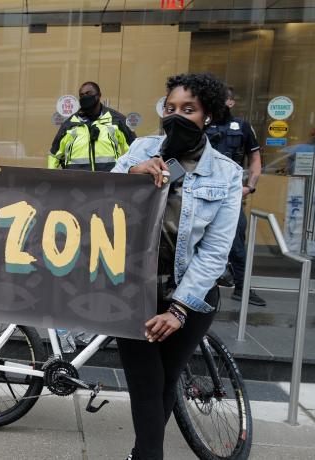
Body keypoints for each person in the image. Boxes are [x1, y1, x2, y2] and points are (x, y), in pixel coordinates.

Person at [111, 73, 242, 460]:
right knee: (146, 381)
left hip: (191, 296)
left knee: (166, 382)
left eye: (189, 109)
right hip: (133, 288)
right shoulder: (140, 149)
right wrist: (131, 177)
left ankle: (143, 453)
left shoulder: (227, 174)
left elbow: (215, 253)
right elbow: (99, 201)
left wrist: (179, 309)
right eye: (170, 109)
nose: (176, 116)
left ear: (208, 116)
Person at [205, 87, 265, 306]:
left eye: (222, 99)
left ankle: (243, 288)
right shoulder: (200, 123)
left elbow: (255, 158)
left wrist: (249, 186)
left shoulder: (242, 127)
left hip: (230, 196)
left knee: (237, 243)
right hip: (202, 194)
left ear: (230, 102)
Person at [48, 82, 135, 171]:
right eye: (81, 95)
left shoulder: (117, 120)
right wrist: (50, 177)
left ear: (99, 95)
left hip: (108, 181)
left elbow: (134, 149)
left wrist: (130, 173)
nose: (85, 97)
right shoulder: (70, 124)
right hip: (77, 182)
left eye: (88, 93)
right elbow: (54, 155)